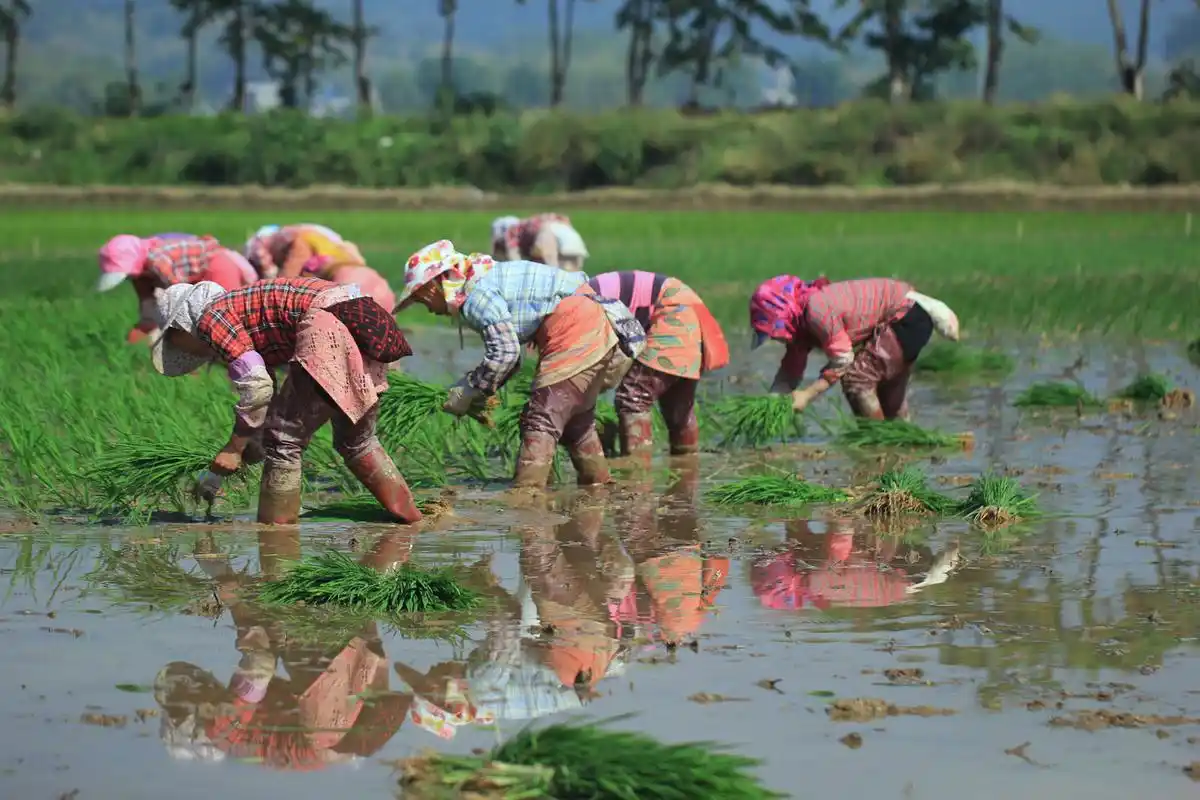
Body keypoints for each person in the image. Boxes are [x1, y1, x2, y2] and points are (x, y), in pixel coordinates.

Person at [149, 276, 422, 524]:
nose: (183, 350)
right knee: (357, 442)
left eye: (175, 342)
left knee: (283, 440)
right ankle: (412, 519)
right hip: (364, 321)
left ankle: (275, 537)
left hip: (329, 323)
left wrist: (233, 448)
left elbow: (256, 386)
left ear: (181, 327)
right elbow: (267, 391)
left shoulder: (211, 318)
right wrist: (250, 444)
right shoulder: (241, 315)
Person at [396, 239, 644, 489]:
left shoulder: (476, 295)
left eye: (420, 300)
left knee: (540, 417)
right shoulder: (484, 280)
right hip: (593, 321)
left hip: (576, 325)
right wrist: (481, 390)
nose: (427, 309)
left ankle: (528, 494)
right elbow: (511, 357)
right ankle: (597, 484)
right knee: (575, 420)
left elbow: (506, 353)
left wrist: (468, 388)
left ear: (431, 289)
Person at [749, 275, 960, 420]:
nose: (776, 339)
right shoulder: (801, 329)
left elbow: (843, 359)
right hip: (905, 321)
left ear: (784, 315)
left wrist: (807, 395)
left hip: (907, 317)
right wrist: (770, 405)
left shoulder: (816, 310)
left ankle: (876, 445)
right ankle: (902, 442)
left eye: (774, 332)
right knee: (887, 396)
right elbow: (789, 372)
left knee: (857, 379)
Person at [587, 270, 730, 457]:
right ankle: (686, 465)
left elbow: (615, 358)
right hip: (684, 304)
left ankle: (637, 467)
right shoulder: (584, 294)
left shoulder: (580, 305)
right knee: (678, 403)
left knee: (634, 397)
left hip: (672, 309)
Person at [96, 234, 259, 344]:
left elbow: (181, 296)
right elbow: (148, 309)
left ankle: (251, 355)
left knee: (228, 315)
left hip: (216, 265)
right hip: (192, 277)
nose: (129, 278)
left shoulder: (157, 261)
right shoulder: (139, 275)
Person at [243, 224, 394, 311]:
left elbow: (283, 289)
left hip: (349, 284)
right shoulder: (325, 242)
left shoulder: (298, 244)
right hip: (374, 282)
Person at [490, 213, 590, 272]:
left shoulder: (512, 231)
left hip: (550, 237)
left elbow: (515, 262)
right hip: (571, 237)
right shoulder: (532, 223)